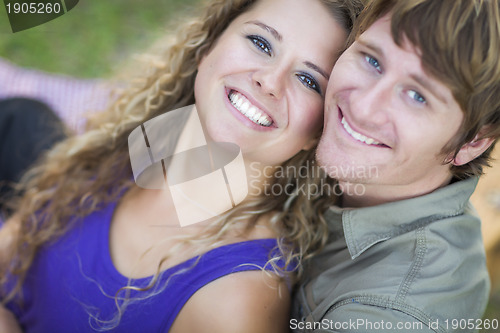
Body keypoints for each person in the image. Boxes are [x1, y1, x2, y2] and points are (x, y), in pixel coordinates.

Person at [0, 0, 363, 332]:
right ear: (208, 46)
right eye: (261, 43)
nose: (269, 81)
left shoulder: (235, 300)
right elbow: (16, 242)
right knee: (21, 116)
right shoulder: (144, 140)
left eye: (308, 80)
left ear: (320, 130)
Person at [291, 0, 500, 332]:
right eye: (372, 61)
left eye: (417, 96)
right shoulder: (368, 167)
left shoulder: (390, 315)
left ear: (471, 142)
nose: (362, 107)